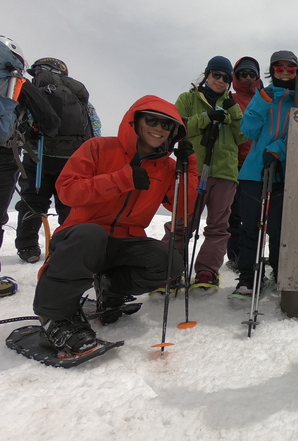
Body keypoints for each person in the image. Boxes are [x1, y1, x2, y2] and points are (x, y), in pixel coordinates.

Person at [33, 95, 197, 354]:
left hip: (123, 242)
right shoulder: (99, 147)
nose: (158, 128)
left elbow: (184, 208)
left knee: (169, 262)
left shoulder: (168, 168)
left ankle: (110, 287)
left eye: (167, 125)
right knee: (91, 235)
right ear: (136, 121)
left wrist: (189, 169)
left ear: (173, 132)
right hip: (81, 235)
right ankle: (54, 317)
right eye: (152, 120)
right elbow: (67, 191)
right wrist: (122, 179)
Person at [162, 56, 246, 291]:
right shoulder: (188, 99)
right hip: (193, 170)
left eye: (226, 77)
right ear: (207, 74)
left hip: (225, 173)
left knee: (218, 226)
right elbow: (176, 128)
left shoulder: (232, 104)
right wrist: (205, 118)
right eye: (216, 75)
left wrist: (234, 114)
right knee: (181, 223)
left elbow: (243, 136)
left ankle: (207, 271)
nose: (221, 80)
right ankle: (169, 270)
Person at [15, 57, 102, 264]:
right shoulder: (78, 93)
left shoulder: (35, 88)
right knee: (69, 204)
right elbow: (94, 124)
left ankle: (28, 247)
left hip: (38, 157)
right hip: (72, 159)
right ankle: (67, 245)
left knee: (32, 202)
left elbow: (21, 118)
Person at [232, 50, 298, 297]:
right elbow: (248, 130)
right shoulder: (263, 96)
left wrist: (278, 148)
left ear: (296, 71)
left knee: (280, 229)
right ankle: (249, 276)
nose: (284, 71)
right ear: (272, 71)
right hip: (253, 172)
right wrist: (261, 101)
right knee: (250, 226)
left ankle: (280, 272)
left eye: (290, 68)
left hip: (284, 173)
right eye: (278, 67)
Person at [0, 36, 60, 288]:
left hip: (29, 159)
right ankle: (61, 252)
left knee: (32, 201)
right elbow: (51, 121)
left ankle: (27, 247)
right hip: (5, 154)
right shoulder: (16, 80)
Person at [226, 56, 262, 272]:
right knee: (235, 215)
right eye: (242, 74)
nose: (247, 77)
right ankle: (236, 256)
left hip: (259, 164)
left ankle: (253, 255)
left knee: (258, 216)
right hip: (235, 164)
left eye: (252, 74)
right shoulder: (229, 98)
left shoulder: (264, 98)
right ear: (235, 76)